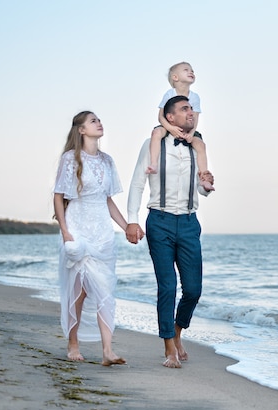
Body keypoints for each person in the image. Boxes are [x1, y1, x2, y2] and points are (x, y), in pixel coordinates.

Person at [126, 95, 214, 368]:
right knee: (167, 286)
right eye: (185, 109)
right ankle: (169, 349)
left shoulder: (196, 147)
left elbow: (199, 187)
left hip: (189, 222)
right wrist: (132, 220)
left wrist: (206, 185)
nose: (191, 113)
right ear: (170, 116)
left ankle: (177, 331)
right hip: (159, 221)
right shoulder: (152, 146)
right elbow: (138, 183)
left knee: (193, 290)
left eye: (192, 108)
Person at [53, 111, 128, 367]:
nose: (99, 123)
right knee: (80, 290)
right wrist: (65, 231)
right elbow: (58, 196)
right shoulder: (70, 159)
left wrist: (127, 226)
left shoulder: (108, 161)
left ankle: (108, 350)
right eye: (93, 120)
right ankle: (73, 342)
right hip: (78, 227)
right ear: (82, 130)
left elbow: (108, 200)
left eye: (99, 120)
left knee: (105, 287)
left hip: (102, 232)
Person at [145, 61, 214, 192]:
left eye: (192, 70)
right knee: (156, 134)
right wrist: (170, 128)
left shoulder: (195, 97)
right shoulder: (170, 94)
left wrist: (191, 133)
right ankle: (154, 163)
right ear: (175, 77)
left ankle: (204, 177)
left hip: (189, 128)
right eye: (186, 70)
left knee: (200, 145)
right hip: (168, 125)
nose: (191, 72)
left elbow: (195, 117)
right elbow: (161, 116)